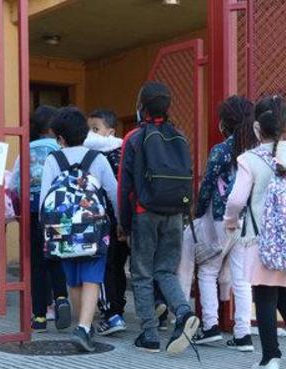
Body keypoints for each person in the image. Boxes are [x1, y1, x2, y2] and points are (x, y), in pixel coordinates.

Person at [224, 95, 286, 369]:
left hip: (259, 239)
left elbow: (236, 199)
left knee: (264, 294)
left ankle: (269, 359)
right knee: (282, 290)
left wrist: (230, 222)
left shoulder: (249, 159)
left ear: (256, 128)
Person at [119, 81, 199, 354]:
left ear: (141, 106)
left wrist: (123, 222)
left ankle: (149, 335)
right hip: (175, 214)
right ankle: (184, 313)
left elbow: (124, 186)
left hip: (144, 213)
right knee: (165, 270)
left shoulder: (134, 138)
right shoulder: (180, 136)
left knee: (141, 274)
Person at [39, 107, 118, 352]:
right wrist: (122, 223)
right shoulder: (98, 159)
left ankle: (81, 325)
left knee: (73, 279)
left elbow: (44, 200)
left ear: (60, 139)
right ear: (85, 134)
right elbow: (114, 193)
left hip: (63, 231)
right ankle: (84, 327)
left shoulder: (54, 160)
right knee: (92, 276)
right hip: (93, 228)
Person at [191, 95, 258, 351]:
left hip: (222, 219)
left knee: (208, 270)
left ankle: (210, 327)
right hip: (249, 222)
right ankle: (243, 335)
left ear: (225, 123)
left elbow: (208, 185)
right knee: (242, 278)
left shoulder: (221, 150)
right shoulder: (256, 151)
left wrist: (197, 212)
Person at [14, 106, 71, 332]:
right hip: (56, 212)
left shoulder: (25, 150)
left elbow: (14, 184)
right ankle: (61, 299)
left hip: (32, 211)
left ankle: (38, 315)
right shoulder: (59, 149)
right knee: (56, 257)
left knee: (37, 263)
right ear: (51, 127)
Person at [83, 109, 129, 336]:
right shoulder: (124, 151)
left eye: (95, 129)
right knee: (118, 266)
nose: (90, 135)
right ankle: (117, 308)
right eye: (88, 129)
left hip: (105, 220)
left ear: (110, 132)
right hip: (122, 218)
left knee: (108, 266)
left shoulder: (95, 155)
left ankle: (112, 312)